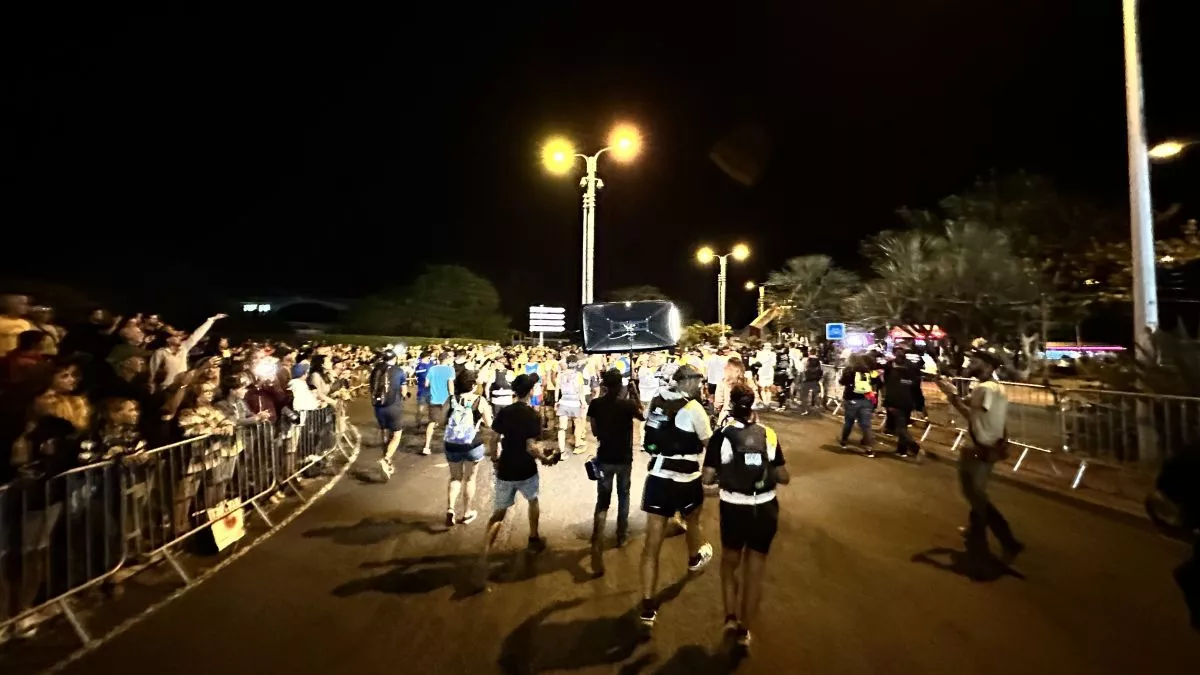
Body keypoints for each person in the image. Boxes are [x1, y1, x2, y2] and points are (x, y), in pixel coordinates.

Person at [702, 382, 790, 652]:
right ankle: (744, 630)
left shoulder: (722, 435)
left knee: (729, 562)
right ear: (752, 405)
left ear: (731, 404)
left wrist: (726, 474)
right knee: (755, 570)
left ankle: (730, 616)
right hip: (765, 508)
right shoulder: (768, 434)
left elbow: (707, 478)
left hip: (734, 508)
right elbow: (784, 476)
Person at [638, 364, 715, 627]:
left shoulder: (657, 401)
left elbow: (649, 435)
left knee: (652, 545)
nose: (700, 385)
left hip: (658, 476)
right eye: (697, 380)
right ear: (686, 381)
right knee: (692, 519)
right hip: (686, 478)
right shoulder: (694, 409)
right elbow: (709, 443)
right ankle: (694, 557)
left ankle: (647, 606)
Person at [935, 351, 1024, 562]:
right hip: (990, 446)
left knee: (974, 494)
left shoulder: (984, 389)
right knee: (978, 492)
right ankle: (976, 531)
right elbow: (981, 417)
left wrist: (951, 395)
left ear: (989, 366)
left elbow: (970, 416)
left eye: (976, 361)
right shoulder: (997, 387)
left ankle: (1007, 539)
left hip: (977, 448)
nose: (970, 363)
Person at [475, 374, 558, 591]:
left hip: (506, 467)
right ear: (530, 391)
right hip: (525, 468)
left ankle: (485, 552)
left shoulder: (505, 412)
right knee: (533, 500)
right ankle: (533, 537)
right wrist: (544, 458)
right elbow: (531, 446)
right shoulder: (532, 415)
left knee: (499, 513)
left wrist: (495, 459)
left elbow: (494, 438)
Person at [586, 368, 645, 576]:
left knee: (603, 500)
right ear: (620, 385)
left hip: (604, 457)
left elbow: (594, 431)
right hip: (624, 458)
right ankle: (621, 535)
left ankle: (597, 538)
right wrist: (635, 393)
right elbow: (642, 416)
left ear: (604, 385)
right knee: (623, 496)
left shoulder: (595, 404)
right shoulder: (627, 405)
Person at [443, 369, 493, 526]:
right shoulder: (480, 400)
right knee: (470, 479)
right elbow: (489, 424)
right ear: (472, 385)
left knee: (455, 477)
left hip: (452, 443)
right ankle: (467, 512)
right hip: (472, 444)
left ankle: (450, 509)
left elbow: (440, 419)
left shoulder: (451, 399)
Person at [370, 350, 408, 479]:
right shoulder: (399, 371)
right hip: (393, 406)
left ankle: (387, 459)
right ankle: (386, 458)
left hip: (378, 407)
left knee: (385, 431)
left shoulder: (375, 370)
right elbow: (403, 391)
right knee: (397, 435)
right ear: (395, 358)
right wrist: (404, 396)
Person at [883, 347, 925, 458]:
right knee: (903, 426)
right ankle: (902, 450)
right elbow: (916, 388)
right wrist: (919, 404)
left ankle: (916, 449)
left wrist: (888, 403)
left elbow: (890, 387)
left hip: (896, 402)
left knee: (900, 428)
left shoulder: (892, 370)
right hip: (908, 402)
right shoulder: (912, 369)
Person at [838, 354, 882, 457]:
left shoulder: (849, 371)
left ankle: (844, 441)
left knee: (849, 422)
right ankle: (869, 449)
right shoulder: (869, 371)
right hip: (867, 400)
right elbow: (877, 382)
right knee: (866, 425)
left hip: (851, 400)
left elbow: (842, 382)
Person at [555, 355, 589, 455]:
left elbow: (557, 389)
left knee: (562, 428)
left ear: (567, 363)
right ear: (576, 363)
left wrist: (556, 401)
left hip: (563, 401)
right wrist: (583, 402)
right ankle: (577, 447)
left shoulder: (560, 374)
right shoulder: (578, 375)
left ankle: (562, 452)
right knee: (578, 424)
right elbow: (580, 390)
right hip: (575, 402)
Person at [423, 355, 456, 456]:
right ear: (446, 359)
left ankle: (426, 446)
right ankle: (450, 446)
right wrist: (452, 396)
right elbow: (450, 384)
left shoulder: (432, 369)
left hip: (434, 399)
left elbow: (426, 384)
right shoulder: (450, 369)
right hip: (445, 399)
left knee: (431, 422)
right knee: (449, 422)